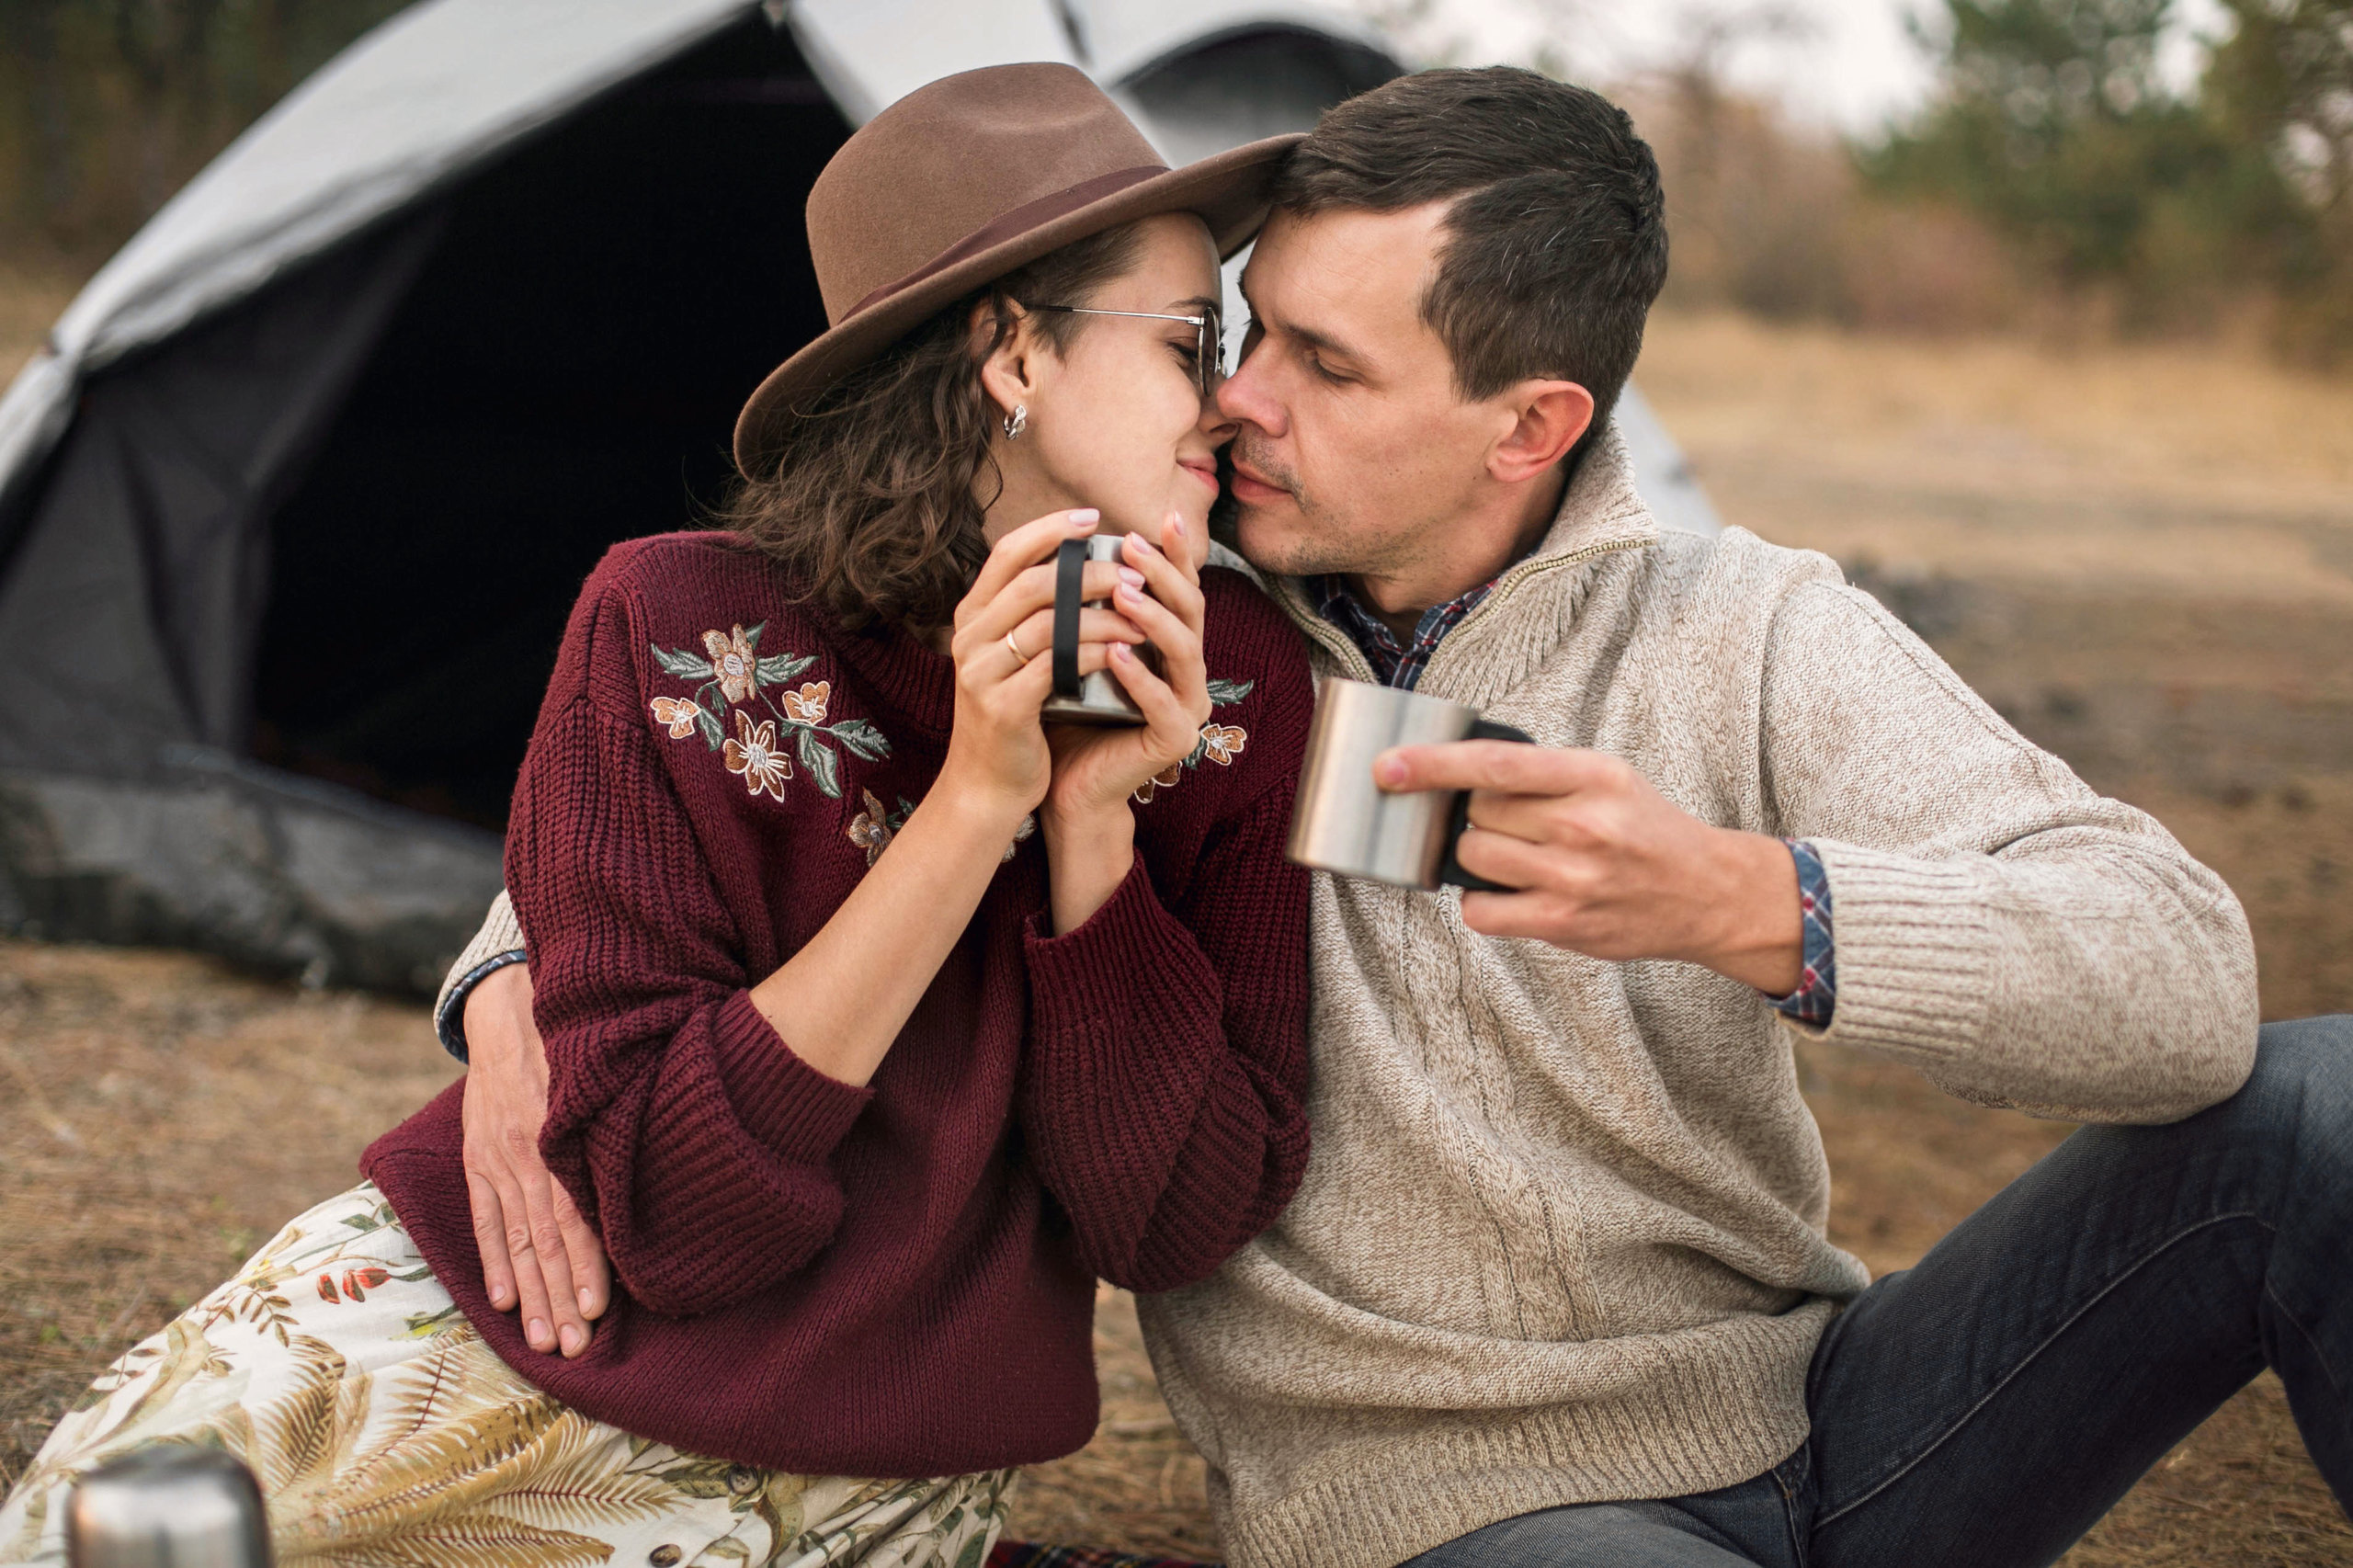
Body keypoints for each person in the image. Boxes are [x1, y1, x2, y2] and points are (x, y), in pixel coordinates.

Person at [438, 63, 2353, 1568]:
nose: (1232, 404)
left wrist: (1738, 900)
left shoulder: (1739, 632)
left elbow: (2179, 984)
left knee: (2311, 1110)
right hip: (1448, 1510)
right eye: (1238, 333)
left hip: (1838, 1406)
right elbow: (782, 742)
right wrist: (509, 979)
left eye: (1319, 367)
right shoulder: (1180, 644)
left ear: (1526, 425)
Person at [0, 63, 1316, 1568]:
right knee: (92, 1531)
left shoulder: (1241, 692)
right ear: (1012, 355)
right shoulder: (677, 621)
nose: (1230, 400)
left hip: (862, 1441)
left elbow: (1172, 1227)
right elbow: (677, 1220)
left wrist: (1091, 832)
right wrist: (975, 803)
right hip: (512, 1291)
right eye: (1191, 338)